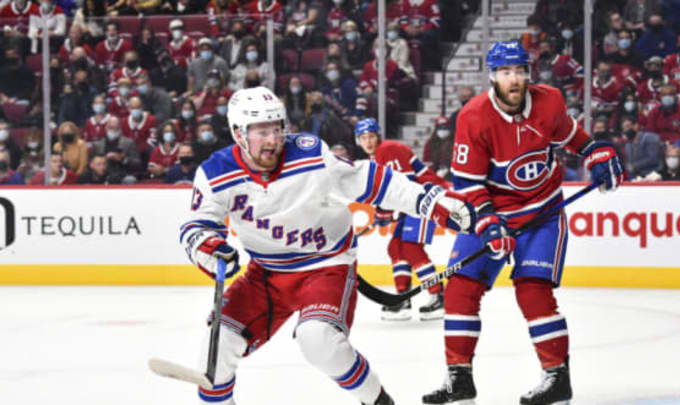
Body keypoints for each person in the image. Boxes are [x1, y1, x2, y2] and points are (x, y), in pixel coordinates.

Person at [179, 86, 475, 405]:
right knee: (217, 345)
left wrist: (430, 203)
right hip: (264, 274)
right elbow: (197, 226)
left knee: (318, 340)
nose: (273, 140)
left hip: (325, 267)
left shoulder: (309, 155)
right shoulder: (215, 173)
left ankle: (377, 401)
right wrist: (208, 248)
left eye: (278, 129)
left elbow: (370, 181)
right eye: (261, 131)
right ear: (238, 133)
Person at [421, 41, 625, 405]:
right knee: (460, 289)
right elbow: (468, 183)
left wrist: (597, 152)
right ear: (492, 76)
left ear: (528, 73)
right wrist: (487, 221)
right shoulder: (472, 116)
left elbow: (573, 138)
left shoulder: (550, 101)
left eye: (518, 71)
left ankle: (557, 378)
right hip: (492, 214)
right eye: (505, 72)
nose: (513, 79)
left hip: (541, 213)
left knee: (533, 291)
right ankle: (459, 379)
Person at [355, 117, 448, 321]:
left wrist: (386, 212)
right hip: (415, 203)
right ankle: (402, 300)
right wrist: (384, 211)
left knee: (411, 248)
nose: (368, 141)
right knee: (396, 247)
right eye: (363, 138)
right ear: (358, 141)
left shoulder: (386, 149)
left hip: (427, 199)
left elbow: (404, 185)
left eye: (371, 136)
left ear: (378, 136)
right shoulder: (376, 158)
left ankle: (438, 296)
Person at [422, 116, 454, 181]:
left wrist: (447, 169)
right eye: (440, 128)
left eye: (445, 128)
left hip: (451, 176)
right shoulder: (430, 143)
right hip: (434, 175)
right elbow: (426, 161)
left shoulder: (454, 142)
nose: (443, 130)